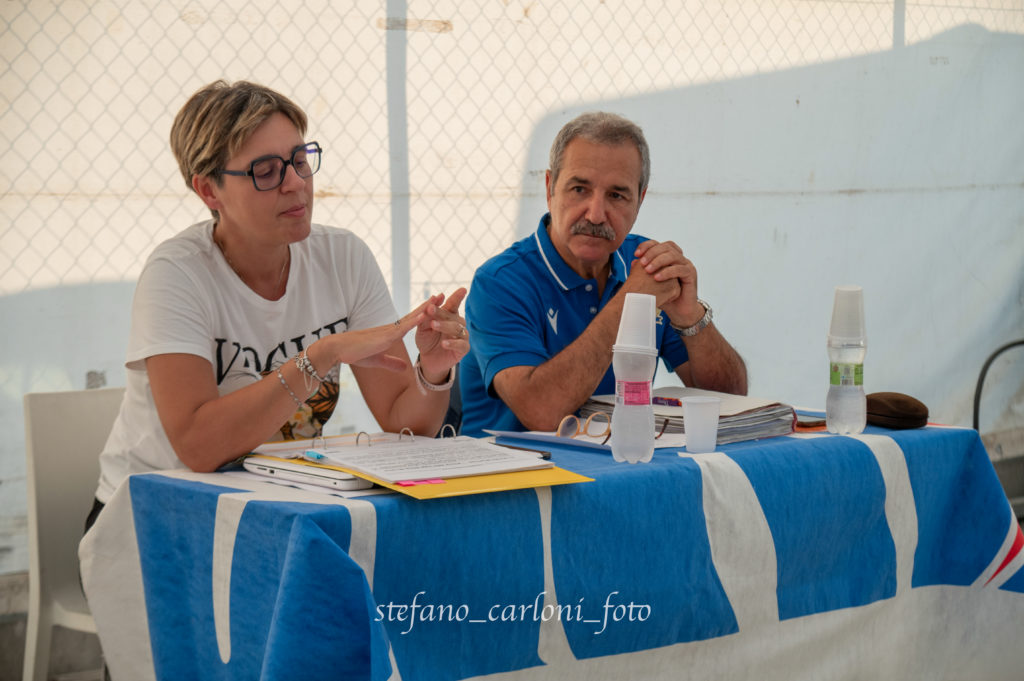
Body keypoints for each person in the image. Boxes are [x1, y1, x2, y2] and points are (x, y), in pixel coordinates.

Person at [87, 80, 468, 528]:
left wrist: (433, 370)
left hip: (273, 507)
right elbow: (199, 448)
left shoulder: (343, 257)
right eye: (266, 171)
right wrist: (320, 355)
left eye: (300, 160)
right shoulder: (177, 273)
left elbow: (407, 425)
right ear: (209, 191)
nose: (296, 184)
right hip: (157, 516)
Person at [459, 111, 747, 436]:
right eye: (580, 189)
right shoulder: (500, 282)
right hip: (512, 479)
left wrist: (691, 318)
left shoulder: (645, 265)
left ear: (640, 199)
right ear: (550, 187)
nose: (596, 214)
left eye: (616, 195)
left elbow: (730, 401)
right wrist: (632, 300)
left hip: (621, 470)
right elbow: (541, 412)